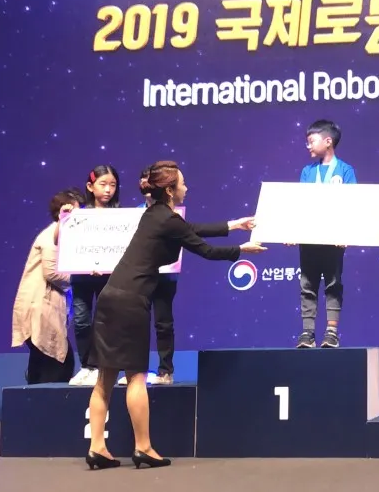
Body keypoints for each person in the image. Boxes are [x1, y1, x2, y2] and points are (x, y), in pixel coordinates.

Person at [85, 160, 266, 470]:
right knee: (136, 377)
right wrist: (241, 250)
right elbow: (205, 250)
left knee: (105, 378)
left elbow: (189, 229)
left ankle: (97, 448)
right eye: (182, 183)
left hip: (111, 296)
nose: (186, 188)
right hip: (130, 302)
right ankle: (143, 448)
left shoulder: (154, 214)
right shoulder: (166, 219)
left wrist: (234, 225)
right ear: (170, 190)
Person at [293, 120, 357, 349]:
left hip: (333, 241)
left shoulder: (345, 170)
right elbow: (300, 204)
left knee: (333, 284)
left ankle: (331, 332)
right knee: (307, 285)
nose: (308, 146)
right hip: (309, 240)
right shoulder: (307, 171)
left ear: (328, 141)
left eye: (311, 141)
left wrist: (345, 233)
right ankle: (307, 333)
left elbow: (353, 204)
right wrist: (292, 231)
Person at [11, 188, 84, 385]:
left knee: (43, 360)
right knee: (58, 362)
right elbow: (51, 272)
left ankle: (32, 401)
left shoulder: (61, 235)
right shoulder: (53, 235)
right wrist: (82, 277)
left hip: (43, 307)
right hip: (41, 307)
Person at [117, 167, 178, 386]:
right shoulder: (134, 214)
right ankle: (133, 371)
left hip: (165, 275)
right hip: (140, 277)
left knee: (164, 323)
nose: (146, 185)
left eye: (150, 181)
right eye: (143, 181)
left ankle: (165, 371)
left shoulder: (172, 213)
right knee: (134, 324)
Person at [70, 165, 121, 387]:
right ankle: (87, 366)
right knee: (81, 321)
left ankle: (102, 367)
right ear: (90, 187)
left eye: (113, 185)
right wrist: (65, 216)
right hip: (82, 276)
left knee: (105, 322)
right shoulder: (78, 215)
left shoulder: (121, 217)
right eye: (103, 184)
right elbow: (64, 241)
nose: (108, 189)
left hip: (108, 277)